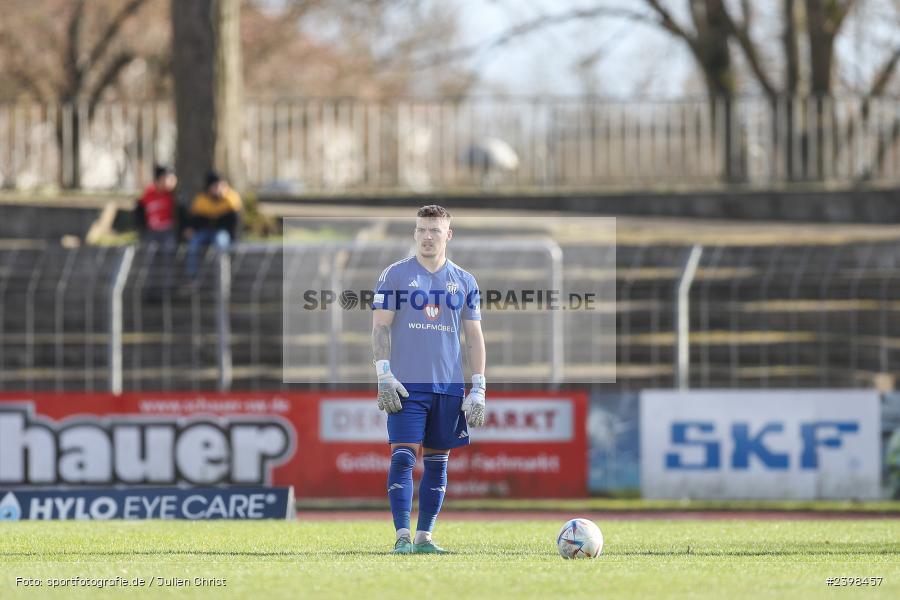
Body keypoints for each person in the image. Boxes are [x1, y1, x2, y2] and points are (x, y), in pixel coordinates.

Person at [371, 204, 487, 554]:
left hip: (449, 387)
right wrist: (383, 374)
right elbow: (380, 327)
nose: (427, 236)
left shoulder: (465, 281)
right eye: (421, 229)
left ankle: (425, 538)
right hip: (406, 385)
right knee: (403, 457)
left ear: (448, 234)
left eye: (434, 230)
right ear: (414, 233)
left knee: (438, 462)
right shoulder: (394, 275)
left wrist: (479, 385)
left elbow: (474, 336)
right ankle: (402, 536)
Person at [184, 171, 242, 279]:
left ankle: (222, 275)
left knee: (220, 242)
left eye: (222, 185)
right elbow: (194, 220)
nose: (220, 189)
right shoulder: (201, 200)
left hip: (222, 231)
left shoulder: (232, 199)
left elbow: (235, 223)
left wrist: (234, 239)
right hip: (206, 231)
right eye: (216, 186)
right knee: (194, 243)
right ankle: (191, 277)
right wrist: (190, 229)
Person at [135, 165, 177, 299]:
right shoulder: (148, 193)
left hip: (167, 231)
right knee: (149, 259)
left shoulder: (172, 195)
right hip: (152, 231)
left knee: (167, 258)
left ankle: (167, 290)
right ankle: (150, 290)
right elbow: (139, 211)